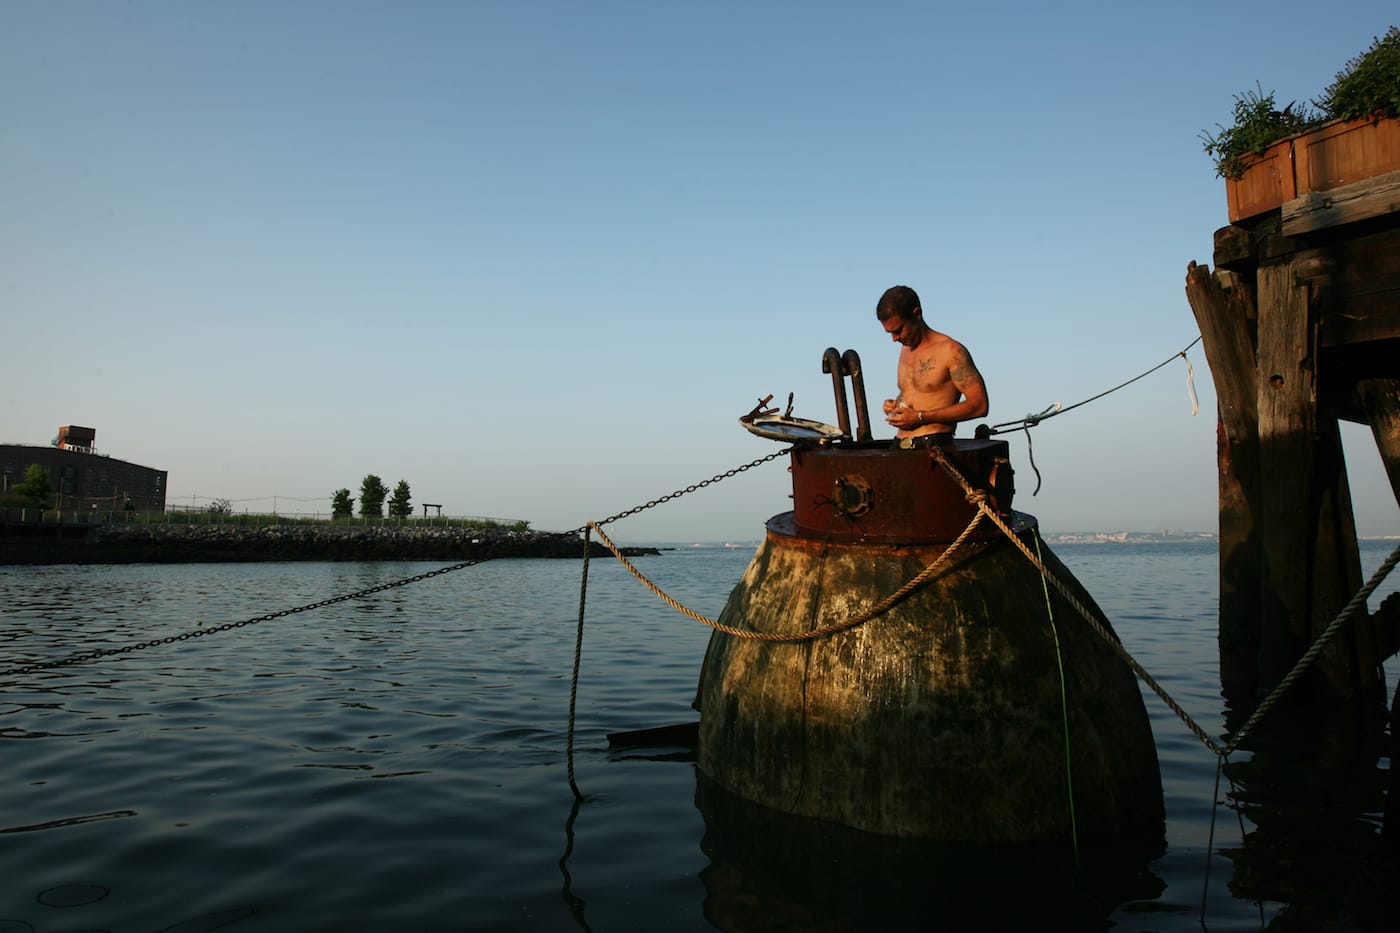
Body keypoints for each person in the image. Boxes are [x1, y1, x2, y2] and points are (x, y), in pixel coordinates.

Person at [876, 284, 988, 445]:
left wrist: (922, 417)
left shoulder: (951, 351)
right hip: (900, 444)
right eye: (890, 333)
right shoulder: (906, 349)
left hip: (933, 445)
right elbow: (920, 393)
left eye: (898, 330)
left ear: (917, 314)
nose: (894, 338)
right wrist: (894, 405)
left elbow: (980, 405)